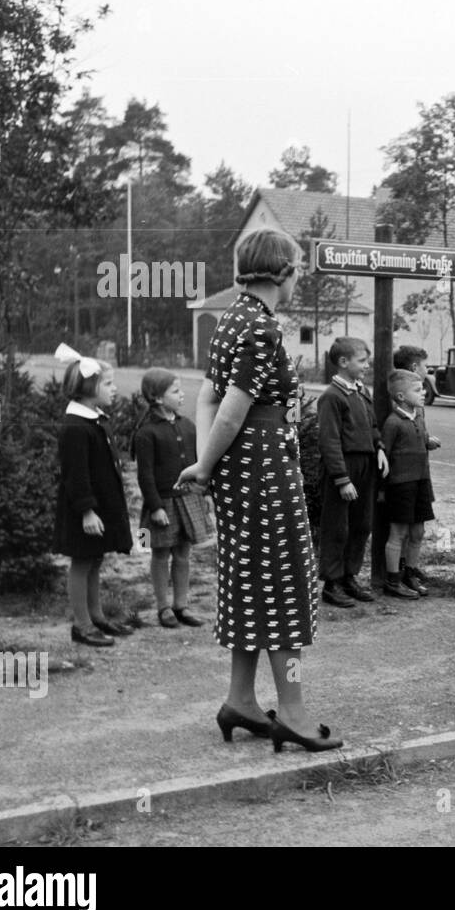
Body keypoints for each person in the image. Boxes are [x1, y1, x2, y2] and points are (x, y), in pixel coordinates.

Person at [176, 227, 341, 752]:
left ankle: (240, 701)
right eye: (296, 269)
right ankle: (291, 713)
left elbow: (205, 398)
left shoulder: (230, 321)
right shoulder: (261, 328)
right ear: (284, 272)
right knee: (285, 588)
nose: (298, 279)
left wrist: (206, 465)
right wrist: (205, 464)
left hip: (240, 476)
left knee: (251, 584)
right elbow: (231, 408)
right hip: (265, 474)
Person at [52, 345, 133, 646]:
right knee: (82, 562)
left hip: (100, 507)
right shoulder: (75, 427)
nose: (114, 389)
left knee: (95, 559)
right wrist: (87, 511)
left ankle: (97, 616)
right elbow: (76, 474)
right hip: (83, 510)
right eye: (109, 384)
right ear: (89, 387)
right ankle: (81, 625)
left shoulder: (96, 419)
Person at [133, 368, 210, 629]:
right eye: (175, 391)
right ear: (156, 398)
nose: (182, 395)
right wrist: (155, 507)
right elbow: (144, 475)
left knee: (183, 554)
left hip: (188, 499)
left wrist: (204, 493)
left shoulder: (187, 426)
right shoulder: (146, 433)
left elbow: (198, 463)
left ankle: (181, 605)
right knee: (160, 554)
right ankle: (163, 607)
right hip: (162, 504)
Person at [317, 336, 386, 608]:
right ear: (343, 362)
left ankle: (349, 576)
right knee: (338, 527)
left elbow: (372, 426)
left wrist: (379, 446)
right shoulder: (331, 397)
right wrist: (341, 479)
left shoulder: (361, 391)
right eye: (362, 361)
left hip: (366, 465)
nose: (366, 366)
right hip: (343, 468)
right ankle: (332, 583)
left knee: (361, 524)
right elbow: (329, 441)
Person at [379, 368, 439, 599]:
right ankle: (392, 580)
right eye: (417, 389)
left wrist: (428, 442)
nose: (423, 392)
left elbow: (421, 440)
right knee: (398, 532)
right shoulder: (393, 423)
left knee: (418, 531)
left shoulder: (420, 416)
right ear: (401, 397)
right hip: (400, 485)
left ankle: (410, 574)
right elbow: (385, 455)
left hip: (422, 482)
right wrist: (383, 490)